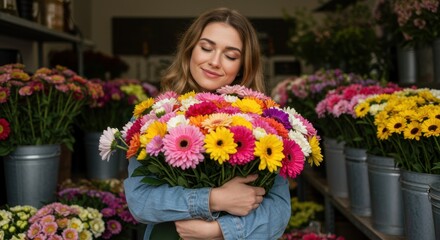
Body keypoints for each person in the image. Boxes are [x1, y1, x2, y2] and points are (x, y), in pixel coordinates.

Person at [124, 7, 291, 240]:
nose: (214, 61)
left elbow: (279, 211)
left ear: (243, 65)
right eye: (206, 48)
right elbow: (140, 201)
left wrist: (221, 231)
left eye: (230, 56)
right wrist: (213, 199)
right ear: (190, 49)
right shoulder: (154, 119)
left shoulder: (265, 124)